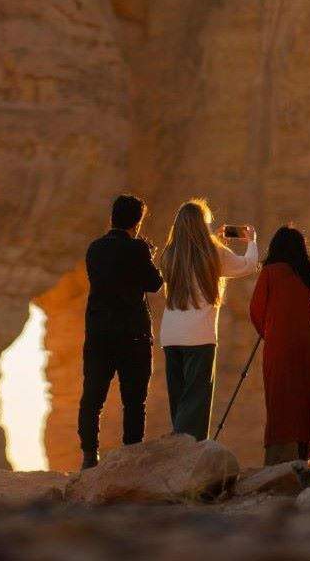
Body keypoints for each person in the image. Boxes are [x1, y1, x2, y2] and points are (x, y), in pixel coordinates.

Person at [157, 199, 258, 440]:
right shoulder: (213, 252)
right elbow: (248, 265)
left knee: (179, 397)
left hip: (170, 335)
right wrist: (251, 241)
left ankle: (176, 441)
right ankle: (190, 447)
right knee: (197, 398)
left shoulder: (169, 254)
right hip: (199, 335)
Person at [77, 193, 164, 469]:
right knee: (134, 401)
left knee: (92, 397)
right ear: (137, 222)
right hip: (132, 335)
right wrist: (148, 255)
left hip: (98, 333)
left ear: (112, 217)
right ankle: (131, 457)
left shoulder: (94, 248)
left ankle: (90, 456)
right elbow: (155, 284)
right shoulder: (137, 249)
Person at [249, 225, 310, 470]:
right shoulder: (309, 272)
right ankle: (306, 456)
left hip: (279, 345)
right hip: (308, 344)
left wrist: (271, 331)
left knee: (281, 398)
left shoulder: (270, 273)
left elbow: (256, 310)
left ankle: (281, 460)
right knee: (307, 397)